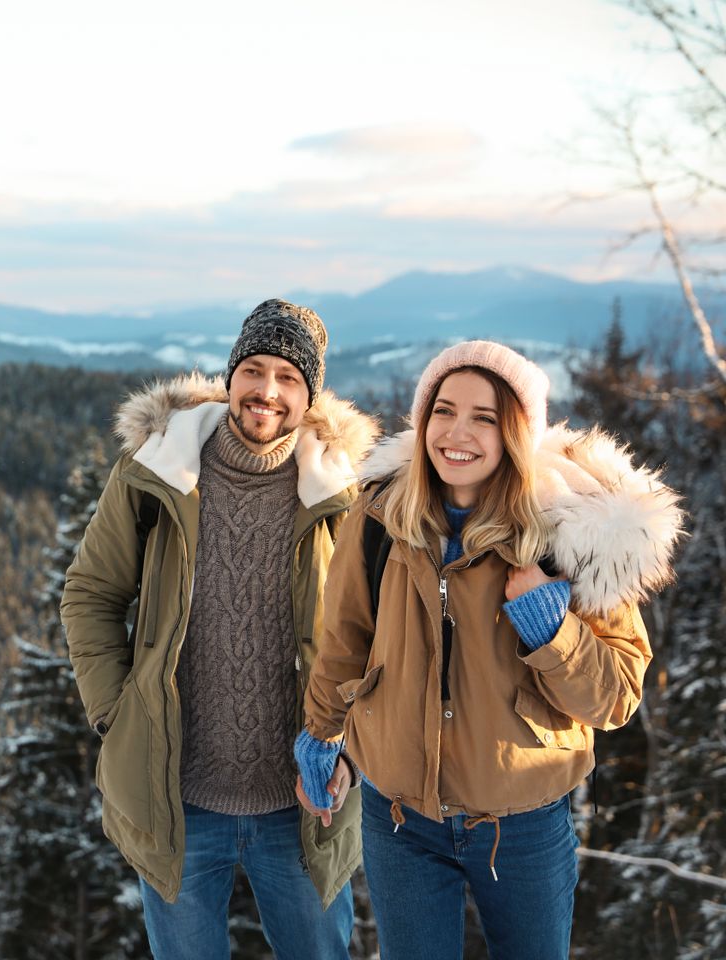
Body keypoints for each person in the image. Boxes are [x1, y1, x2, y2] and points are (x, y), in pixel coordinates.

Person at [294, 340, 684, 960]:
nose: (458, 432)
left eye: (485, 417)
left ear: (517, 434)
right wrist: (320, 733)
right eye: (443, 410)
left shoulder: (570, 534)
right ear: (422, 421)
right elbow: (345, 640)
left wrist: (552, 633)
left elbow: (617, 696)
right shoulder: (379, 513)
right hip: (399, 822)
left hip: (522, 825)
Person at [60, 300, 378, 960]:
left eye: (288, 378)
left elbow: (381, 640)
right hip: (179, 798)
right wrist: (116, 712)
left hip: (304, 802)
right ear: (232, 374)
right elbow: (91, 593)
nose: (267, 391)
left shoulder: (343, 497)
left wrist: (350, 749)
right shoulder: (158, 473)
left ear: (309, 394)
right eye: (254, 370)